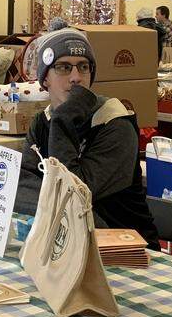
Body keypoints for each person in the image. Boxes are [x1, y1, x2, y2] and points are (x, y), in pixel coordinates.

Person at [13, 26, 158, 248]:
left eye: (83, 67)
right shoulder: (43, 122)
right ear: (45, 80)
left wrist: (63, 119)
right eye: (63, 67)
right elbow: (20, 186)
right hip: (67, 244)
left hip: (125, 251)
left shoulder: (115, 123)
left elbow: (74, 195)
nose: (76, 78)